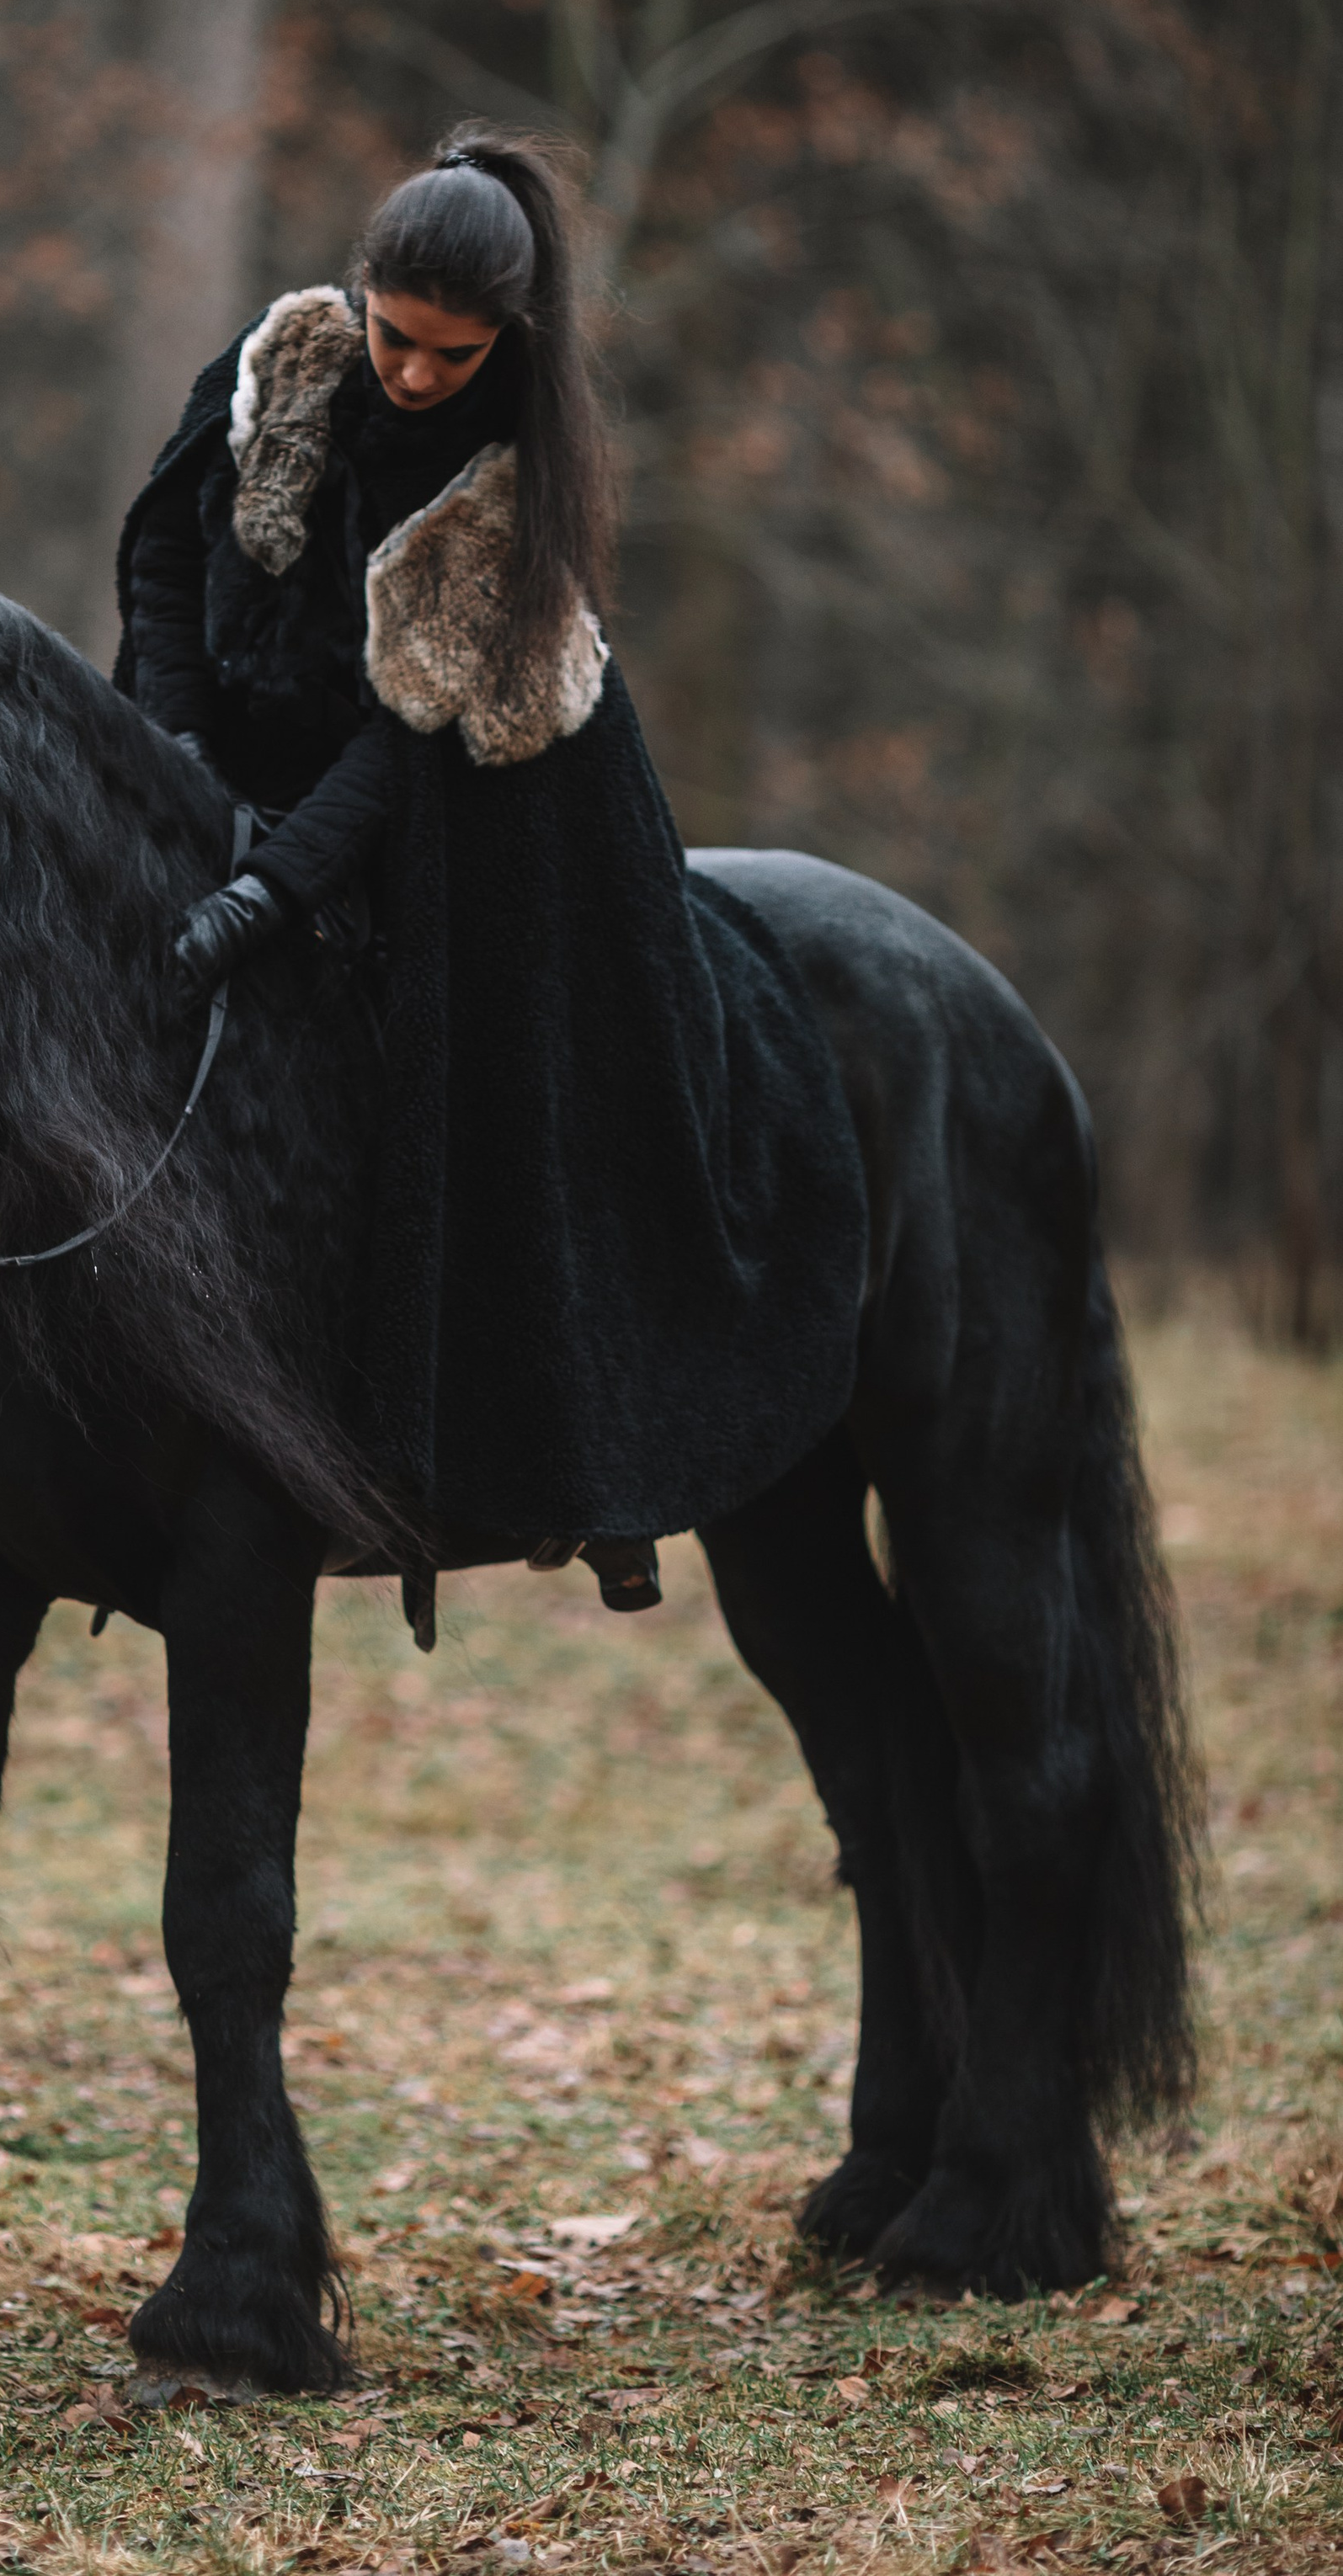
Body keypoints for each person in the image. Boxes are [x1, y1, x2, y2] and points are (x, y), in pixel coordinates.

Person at [114, 130, 869, 1637]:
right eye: (394, 335)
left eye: (447, 357)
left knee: (534, 1053)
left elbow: (413, 748)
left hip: (462, 812)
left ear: (503, 342)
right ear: (364, 290)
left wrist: (274, 891)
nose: (407, 375)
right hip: (225, 759)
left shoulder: (519, 479)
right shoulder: (277, 374)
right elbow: (161, 566)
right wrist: (182, 765)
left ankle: (574, 1446)